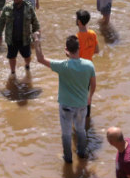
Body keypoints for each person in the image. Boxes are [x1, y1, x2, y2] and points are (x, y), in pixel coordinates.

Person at [33, 34, 96, 163]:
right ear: (79, 47)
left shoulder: (62, 65)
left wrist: (37, 41)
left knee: (66, 134)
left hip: (66, 106)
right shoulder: (89, 65)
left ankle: (68, 158)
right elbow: (93, 84)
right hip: (82, 104)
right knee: (81, 130)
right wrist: (90, 96)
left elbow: (40, 58)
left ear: (66, 49)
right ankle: (82, 153)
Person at [0, 0, 40, 74]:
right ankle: (13, 72)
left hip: (25, 38)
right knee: (12, 57)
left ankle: (27, 66)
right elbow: (1, 21)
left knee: (27, 56)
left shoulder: (29, 7)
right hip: (11, 38)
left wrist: (36, 35)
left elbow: (35, 22)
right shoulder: (7, 7)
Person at [76, 9, 99, 116]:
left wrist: (66, 53)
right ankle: (87, 116)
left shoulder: (76, 37)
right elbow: (97, 50)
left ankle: (79, 115)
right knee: (88, 94)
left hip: (79, 69)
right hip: (90, 67)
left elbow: (73, 55)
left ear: (79, 21)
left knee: (79, 93)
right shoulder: (93, 34)